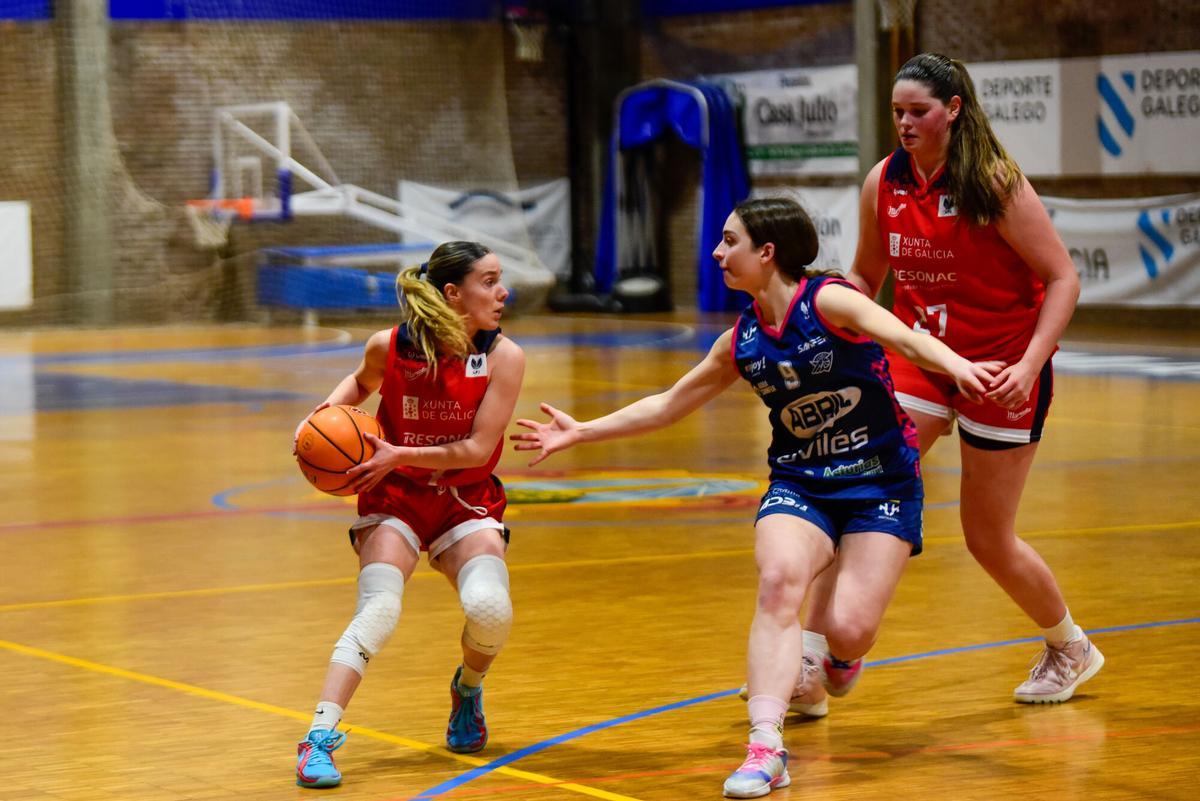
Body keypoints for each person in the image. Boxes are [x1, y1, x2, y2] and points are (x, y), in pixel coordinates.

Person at [512, 197, 1001, 798]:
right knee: (777, 583)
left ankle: (836, 660)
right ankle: (766, 746)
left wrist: (964, 370)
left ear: (767, 252)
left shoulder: (830, 301)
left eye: (728, 240)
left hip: (881, 482)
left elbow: (906, 338)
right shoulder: (740, 341)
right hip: (801, 482)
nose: (717, 252)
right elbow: (670, 403)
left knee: (848, 630)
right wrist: (583, 430)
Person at [798, 52, 1100, 709]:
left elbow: (1062, 278)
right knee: (853, 486)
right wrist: (824, 313)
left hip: (1001, 366)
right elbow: (864, 275)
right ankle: (814, 661)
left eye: (918, 111)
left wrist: (1028, 366)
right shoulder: (884, 181)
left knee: (987, 537)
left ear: (953, 110)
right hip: (920, 359)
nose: (904, 123)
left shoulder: (993, 181)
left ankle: (1071, 645)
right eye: (897, 112)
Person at [291, 241, 525, 789]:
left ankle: (467, 689)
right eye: (489, 281)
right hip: (393, 494)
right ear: (453, 293)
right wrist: (317, 422)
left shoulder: (502, 356)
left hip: (463, 496)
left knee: (489, 608)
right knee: (379, 608)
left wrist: (403, 452)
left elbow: (475, 449)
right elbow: (358, 385)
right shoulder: (390, 346)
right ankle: (317, 738)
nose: (502, 291)